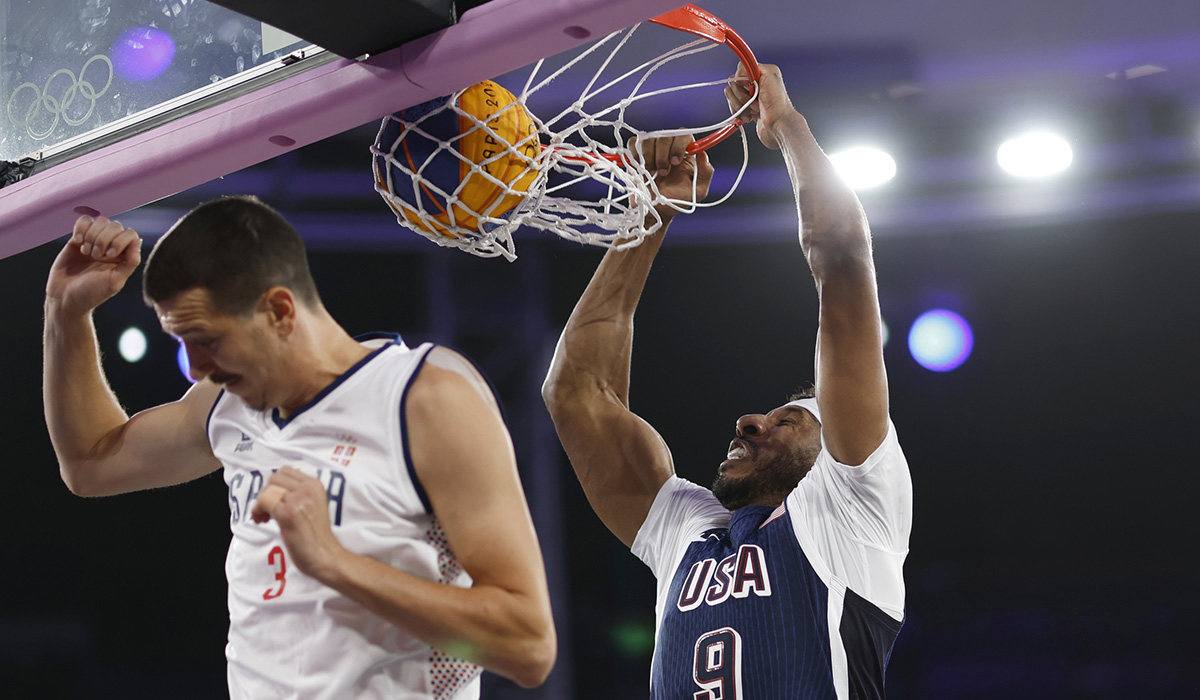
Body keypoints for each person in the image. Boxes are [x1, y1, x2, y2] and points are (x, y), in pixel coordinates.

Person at [42, 196, 555, 699]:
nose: (195, 368)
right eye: (181, 342)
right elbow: (89, 462)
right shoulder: (224, 404)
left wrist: (335, 563)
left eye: (206, 339)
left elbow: (528, 646)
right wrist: (64, 313)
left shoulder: (425, 399)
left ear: (279, 310)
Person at [542, 62, 912, 699]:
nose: (749, 422)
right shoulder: (690, 530)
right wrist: (655, 209)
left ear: (839, 454)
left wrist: (787, 128)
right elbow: (577, 393)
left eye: (786, 421)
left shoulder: (850, 510)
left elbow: (844, 256)